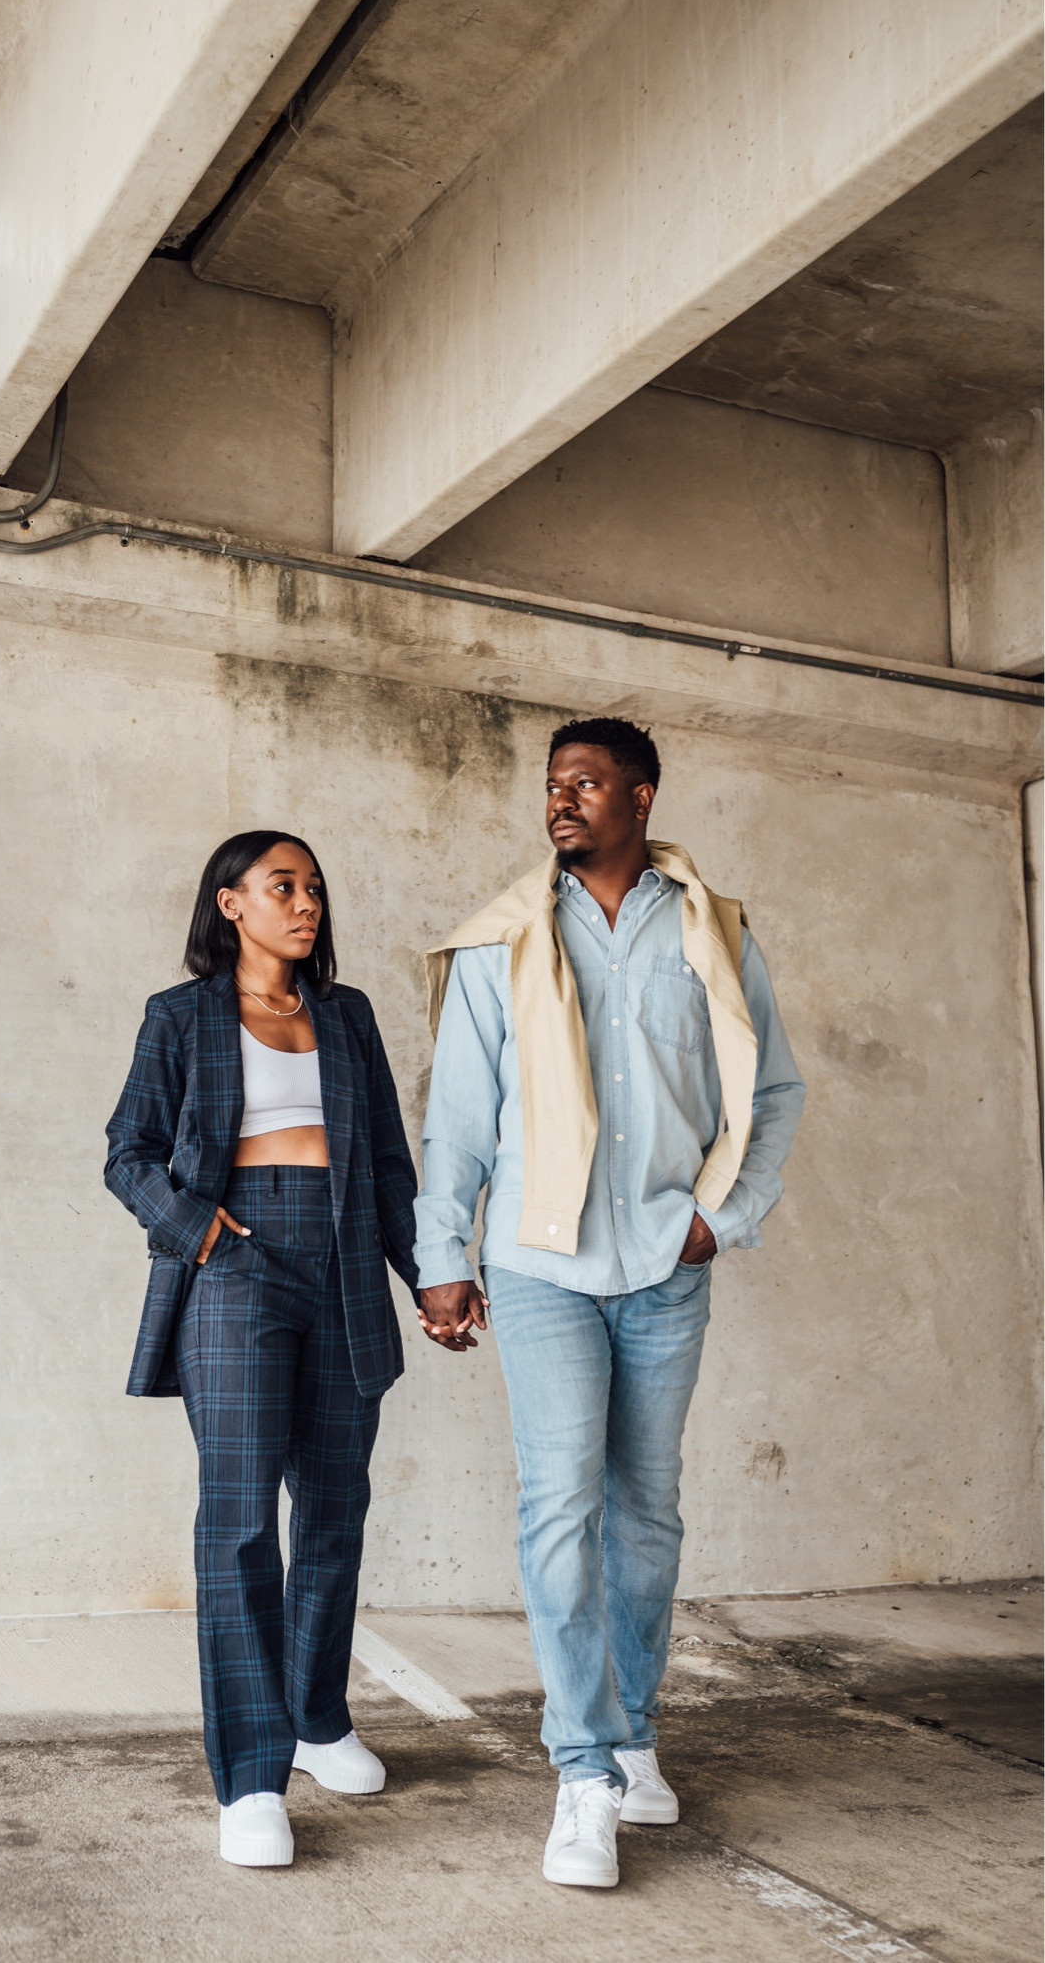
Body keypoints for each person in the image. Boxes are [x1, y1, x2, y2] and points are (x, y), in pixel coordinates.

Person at [414, 718, 805, 1891]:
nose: (561, 801)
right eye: (551, 785)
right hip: (539, 1265)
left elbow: (771, 1091)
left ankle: (632, 1735)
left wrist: (716, 1219)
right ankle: (580, 1771)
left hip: (662, 1260)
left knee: (645, 1515)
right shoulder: (503, 939)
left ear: (640, 795)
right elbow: (457, 1112)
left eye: (584, 783)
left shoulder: (713, 933)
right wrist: (443, 1252)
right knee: (556, 1506)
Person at [104, 830, 421, 1868]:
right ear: (230, 903)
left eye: (315, 888)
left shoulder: (345, 1015)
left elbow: (383, 1159)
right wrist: (199, 1231)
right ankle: (249, 1777)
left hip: (341, 1258)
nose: (305, 903)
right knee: (241, 1521)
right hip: (234, 1260)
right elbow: (129, 1154)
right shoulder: (180, 1017)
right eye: (282, 886)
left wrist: (432, 1276)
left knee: (334, 1509)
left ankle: (316, 1717)